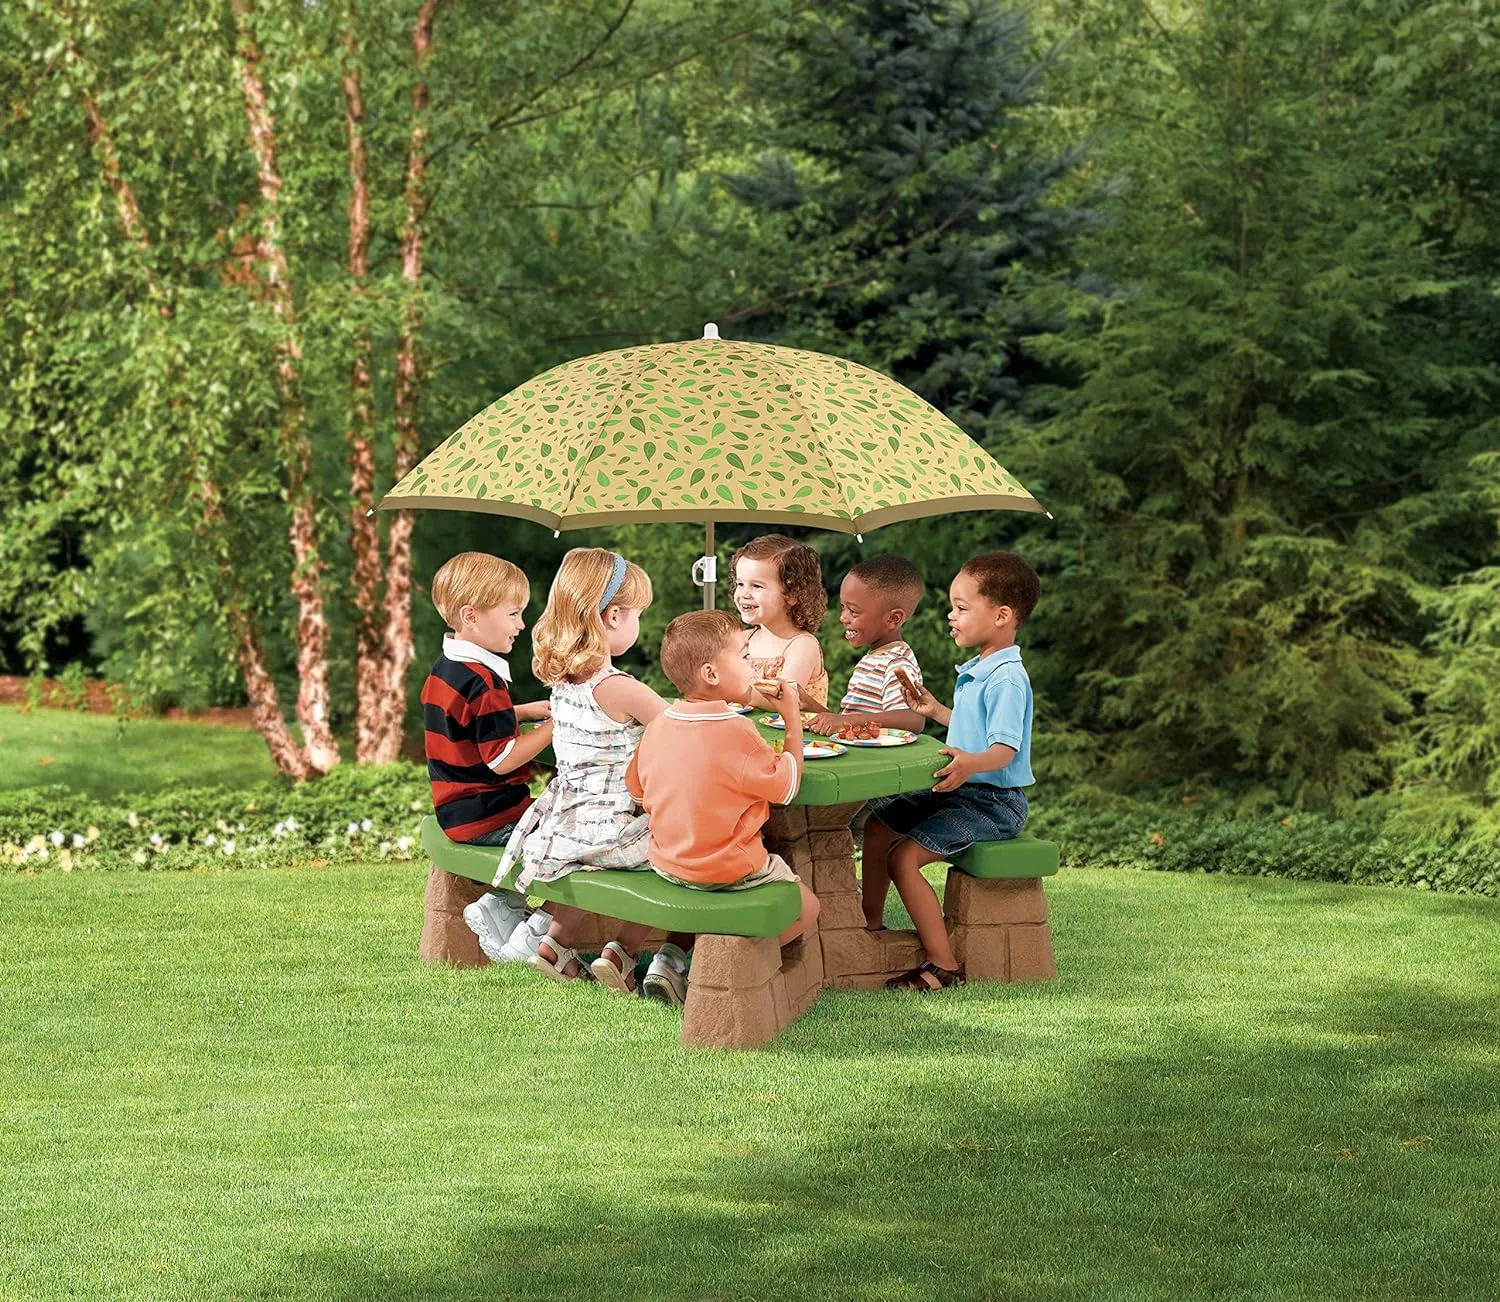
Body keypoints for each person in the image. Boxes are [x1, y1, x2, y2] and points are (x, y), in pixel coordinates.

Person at [488, 548, 694, 999]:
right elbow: (682, 731)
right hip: (615, 828)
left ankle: (555, 945)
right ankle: (624, 951)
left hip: (568, 824)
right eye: (639, 613)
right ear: (615, 617)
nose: (639, 622)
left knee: (600, 861)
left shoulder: (562, 683)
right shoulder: (620, 687)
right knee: (681, 850)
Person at [862, 551, 1040, 993]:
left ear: (1001, 615)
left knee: (904, 858)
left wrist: (969, 764)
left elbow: (1003, 750)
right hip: (961, 788)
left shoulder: (1006, 679)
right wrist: (936, 710)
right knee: (879, 823)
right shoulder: (981, 669)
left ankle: (944, 967)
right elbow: (974, 729)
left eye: (961, 608)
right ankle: (869, 924)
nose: (950, 616)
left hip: (993, 802)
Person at [624, 610, 821, 1007]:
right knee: (809, 908)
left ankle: (671, 958)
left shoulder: (659, 724)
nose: (753, 666)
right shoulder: (738, 731)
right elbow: (787, 786)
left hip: (668, 863)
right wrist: (793, 720)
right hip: (730, 870)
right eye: (745, 656)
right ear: (712, 674)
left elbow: (638, 791)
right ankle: (712, 967)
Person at [421, 553, 554, 961]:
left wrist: (522, 712)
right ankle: (523, 921)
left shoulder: (446, 669)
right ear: (471, 616)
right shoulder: (484, 681)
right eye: (513, 613)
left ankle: (507, 908)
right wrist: (556, 727)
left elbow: (466, 723)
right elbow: (503, 758)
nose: (521, 624)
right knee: (579, 831)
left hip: (456, 813)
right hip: (492, 816)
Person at [806, 553, 929, 738]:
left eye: (853, 611)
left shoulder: (897, 664)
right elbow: (848, 721)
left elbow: (913, 719)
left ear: (892, 619)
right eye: (842, 607)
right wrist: (808, 704)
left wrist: (847, 721)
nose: (843, 618)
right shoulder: (874, 658)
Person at [731, 534, 830, 708]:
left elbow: (783, 698)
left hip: (793, 734)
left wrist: (730, 690)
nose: (744, 594)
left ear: (792, 595)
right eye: (740, 584)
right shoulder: (743, 639)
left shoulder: (802, 645)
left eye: (757, 586)